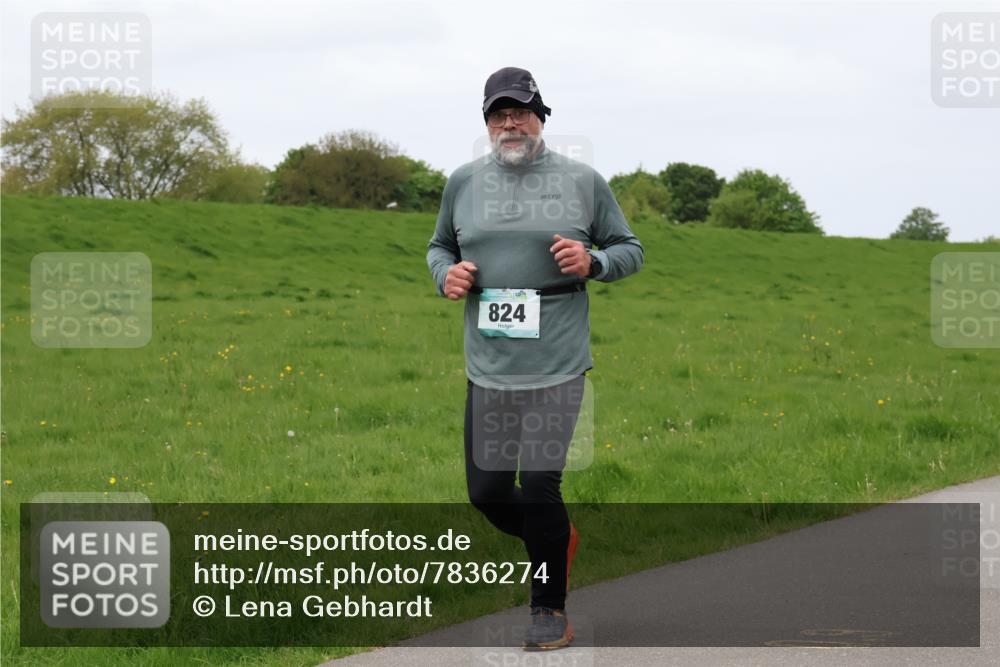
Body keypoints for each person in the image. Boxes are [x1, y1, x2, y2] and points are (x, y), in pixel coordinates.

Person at [426, 66, 643, 650]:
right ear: (487, 124)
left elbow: (629, 248)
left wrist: (594, 262)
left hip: (558, 362)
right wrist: (448, 274)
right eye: (499, 113)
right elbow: (439, 244)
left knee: (541, 482)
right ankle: (554, 538)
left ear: (541, 117)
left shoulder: (581, 181)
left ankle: (548, 608)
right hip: (489, 366)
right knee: (488, 492)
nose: (510, 122)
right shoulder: (463, 183)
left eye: (520, 111)